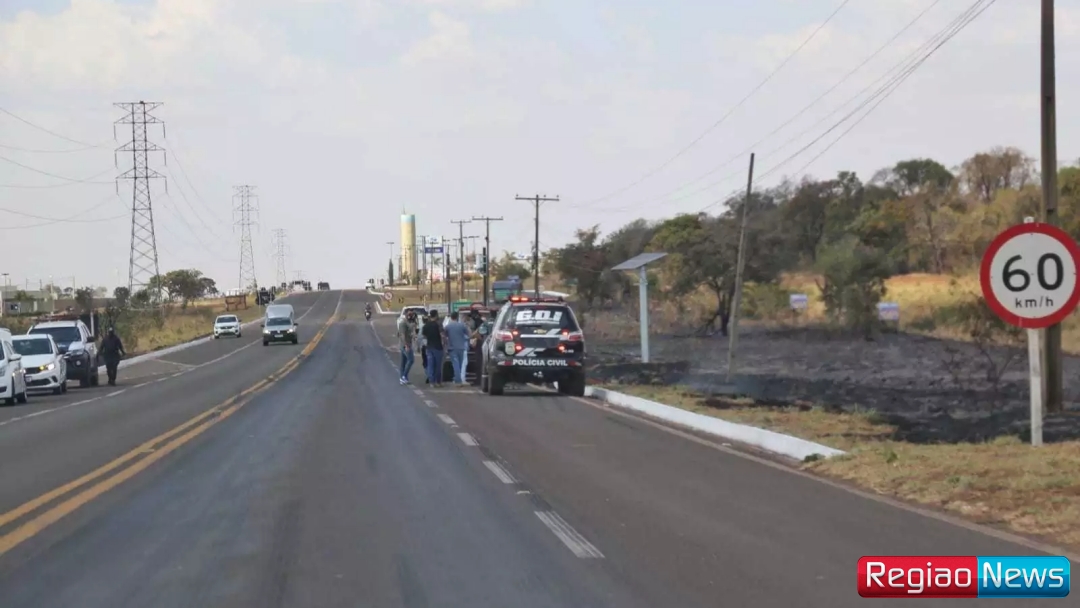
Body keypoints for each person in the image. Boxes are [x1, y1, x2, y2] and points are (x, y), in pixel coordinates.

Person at [444, 311, 472, 385]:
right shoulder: (462, 326)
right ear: (457, 317)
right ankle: (458, 379)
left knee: (455, 364)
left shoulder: (448, 326)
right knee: (460, 364)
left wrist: (446, 345)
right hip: (461, 347)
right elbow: (469, 334)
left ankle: (458, 380)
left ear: (451, 317)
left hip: (452, 348)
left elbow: (444, 336)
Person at [420, 309, 446, 387]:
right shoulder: (438, 324)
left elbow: (424, 336)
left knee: (430, 365)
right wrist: (444, 343)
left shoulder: (426, 325)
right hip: (438, 347)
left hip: (429, 347)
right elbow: (442, 335)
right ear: (436, 315)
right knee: (438, 366)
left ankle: (432, 382)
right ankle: (438, 382)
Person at [397, 310, 417, 385]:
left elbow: (412, 333)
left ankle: (402, 378)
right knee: (411, 360)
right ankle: (404, 376)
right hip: (405, 345)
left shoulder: (409, 323)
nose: (411, 316)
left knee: (403, 362)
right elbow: (402, 335)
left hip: (406, 344)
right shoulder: (403, 323)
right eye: (410, 314)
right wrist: (406, 345)